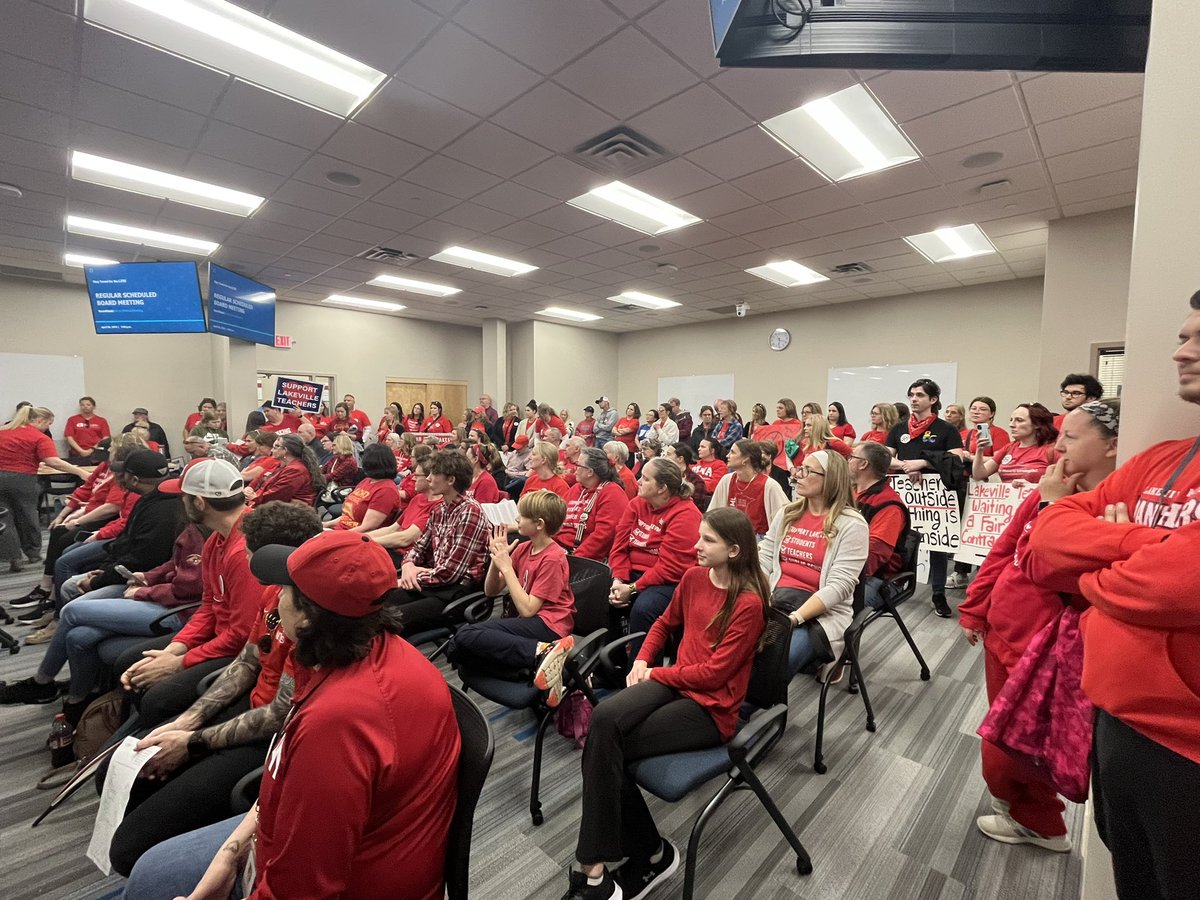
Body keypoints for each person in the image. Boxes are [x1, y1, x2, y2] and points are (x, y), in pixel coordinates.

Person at [122, 530, 461, 900]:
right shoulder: (353, 652)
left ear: (307, 618)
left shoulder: (337, 723)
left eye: (286, 592)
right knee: (150, 872)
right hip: (295, 831)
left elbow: (302, 890)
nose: (276, 598)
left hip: (355, 879)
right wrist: (231, 852)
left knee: (146, 885)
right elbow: (284, 780)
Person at [1023, 295, 1200, 897]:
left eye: (1199, 338)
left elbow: (1184, 582)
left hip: (1188, 748)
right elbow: (1047, 546)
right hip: (1115, 722)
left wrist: (1093, 572)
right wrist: (1153, 543)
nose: (1180, 351)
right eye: (1183, 335)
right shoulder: (1160, 459)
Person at [105, 501, 323, 877]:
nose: (246, 556)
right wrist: (188, 722)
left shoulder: (312, 616)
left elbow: (280, 715)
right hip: (249, 709)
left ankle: (179, 869)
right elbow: (247, 661)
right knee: (124, 772)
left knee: (129, 850)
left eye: (252, 550)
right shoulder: (275, 591)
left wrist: (191, 743)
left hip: (273, 740)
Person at [563, 506, 767, 900]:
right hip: (677, 683)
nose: (697, 545)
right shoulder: (693, 578)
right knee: (604, 720)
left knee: (608, 748)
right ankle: (621, 860)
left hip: (711, 709)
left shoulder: (748, 604)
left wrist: (655, 673)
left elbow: (713, 675)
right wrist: (642, 658)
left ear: (735, 550)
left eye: (708, 540)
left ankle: (610, 864)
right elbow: (663, 623)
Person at [959, 398, 1120, 855]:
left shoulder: (1104, 505)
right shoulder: (1050, 488)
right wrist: (975, 607)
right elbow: (1005, 549)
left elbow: (1053, 569)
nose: (1058, 446)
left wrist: (1053, 509)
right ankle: (1027, 813)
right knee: (1003, 734)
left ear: (1111, 446)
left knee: (1015, 745)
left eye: (1071, 436)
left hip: (1043, 644)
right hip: (1002, 629)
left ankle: (1042, 824)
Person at [115, 459, 261, 726]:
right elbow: (209, 606)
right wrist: (174, 650)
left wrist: (180, 662)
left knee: (155, 697)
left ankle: (149, 744)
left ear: (199, 503)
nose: (180, 503)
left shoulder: (244, 551)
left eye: (183, 497)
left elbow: (243, 634)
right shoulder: (216, 540)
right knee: (130, 662)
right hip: (222, 638)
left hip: (241, 653)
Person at [449, 490, 577, 704]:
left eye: (522, 516)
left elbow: (528, 609)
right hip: (528, 620)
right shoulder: (525, 548)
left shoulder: (553, 558)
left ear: (539, 524)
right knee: (460, 649)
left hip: (550, 625)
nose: (516, 519)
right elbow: (491, 591)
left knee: (464, 638)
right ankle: (533, 672)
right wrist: (496, 558)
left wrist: (507, 567)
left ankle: (543, 652)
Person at [760, 451, 868, 677]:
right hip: (775, 601)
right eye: (800, 469)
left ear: (830, 479)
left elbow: (840, 587)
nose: (798, 475)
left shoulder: (852, 525)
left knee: (774, 661)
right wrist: (759, 599)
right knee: (731, 646)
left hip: (820, 616)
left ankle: (746, 710)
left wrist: (795, 618)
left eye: (807, 471)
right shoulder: (788, 513)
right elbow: (764, 559)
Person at [885, 378, 963, 618]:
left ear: (933, 400)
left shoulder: (946, 429)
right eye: (912, 395)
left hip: (936, 495)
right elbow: (887, 458)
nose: (914, 399)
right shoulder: (899, 429)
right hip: (905, 491)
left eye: (919, 395)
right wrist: (907, 466)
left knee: (937, 545)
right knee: (902, 541)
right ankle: (898, 584)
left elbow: (956, 458)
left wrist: (924, 462)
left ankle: (938, 593)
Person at [608, 458, 703, 650]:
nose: (638, 482)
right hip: (633, 574)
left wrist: (632, 589)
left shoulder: (686, 514)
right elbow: (619, 547)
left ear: (662, 488)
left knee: (644, 609)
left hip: (669, 582)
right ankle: (609, 674)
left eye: (645, 478)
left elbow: (670, 568)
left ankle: (643, 672)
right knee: (603, 597)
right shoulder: (637, 503)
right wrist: (618, 580)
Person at [395, 450, 491, 630]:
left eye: (434, 473)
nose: (428, 478)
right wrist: (408, 564)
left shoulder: (470, 512)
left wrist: (412, 575)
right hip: (434, 583)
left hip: (456, 591)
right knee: (379, 601)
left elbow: (450, 573)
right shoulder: (439, 510)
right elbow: (419, 548)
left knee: (391, 618)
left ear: (451, 480)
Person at [0, 410, 95, 577]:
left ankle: (13, 558)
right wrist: (79, 472)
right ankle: (34, 554)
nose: (48, 428)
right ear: (41, 420)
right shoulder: (38, 437)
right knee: (27, 516)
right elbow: (52, 461)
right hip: (23, 480)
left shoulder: (3, 431)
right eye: (49, 424)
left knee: (4, 519)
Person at [849, 442, 912, 610]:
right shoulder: (852, 493)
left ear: (863, 464)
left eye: (852, 457)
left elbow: (874, 555)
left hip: (879, 579)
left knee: (833, 610)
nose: (847, 461)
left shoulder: (889, 505)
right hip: (852, 569)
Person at [556, 448, 630, 561]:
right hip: (560, 551)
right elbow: (555, 520)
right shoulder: (576, 488)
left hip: (585, 559)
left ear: (590, 472)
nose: (575, 468)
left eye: (578, 465)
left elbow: (604, 536)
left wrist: (574, 559)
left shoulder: (612, 492)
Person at [709, 439, 789, 538]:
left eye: (733, 452)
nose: (727, 455)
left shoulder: (769, 485)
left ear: (745, 460)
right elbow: (713, 513)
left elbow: (782, 521)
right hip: (730, 536)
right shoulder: (727, 480)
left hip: (759, 540)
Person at [370, 455, 441, 556]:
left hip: (407, 557)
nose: (413, 479)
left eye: (416, 475)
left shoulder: (437, 507)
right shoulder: (417, 499)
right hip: (393, 547)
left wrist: (368, 541)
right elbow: (393, 528)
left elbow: (406, 539)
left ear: (429, 478)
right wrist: (359, 537)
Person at [972, 403, 1058, 484]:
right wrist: (980, 450)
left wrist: (1033, 487)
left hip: (1035, 498)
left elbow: (1063, 483)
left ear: (1037, 424)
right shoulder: (1009, 448)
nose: (1011, 425)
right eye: (1011, 420)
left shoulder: (1051, 450)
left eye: (1019, 420)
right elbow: (979, 475)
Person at [327, 444, 400, 533]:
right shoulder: (366, 481)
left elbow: (367, 527)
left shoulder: (387, 490)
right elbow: (347, 517)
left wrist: (335, 535)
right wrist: (326, 524)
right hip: (342, 530)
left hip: (357, 538)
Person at [246, 434, 324, 507]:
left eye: (275, 447)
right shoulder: (282, 465)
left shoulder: (296, 470)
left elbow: (277, 495)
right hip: (277, 506)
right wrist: (249, 488)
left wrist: (254, 497)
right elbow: (261, 478)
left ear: (285, 450)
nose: (272, 450)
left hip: (291, 511)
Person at [64, 396, 112, 464]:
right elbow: (69, 437)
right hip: (77, 454)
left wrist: (92, 450)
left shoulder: (102, 421)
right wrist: (81, 451)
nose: (85, 406)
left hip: (97, 453)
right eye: (82, 405)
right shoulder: (72, 420)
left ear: (93, 407)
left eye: (88, 405)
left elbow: (105, 438)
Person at [666, 442, 707, 509]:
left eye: (668, 454)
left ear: (680, 459)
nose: (665, 458)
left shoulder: (696, 482)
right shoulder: (663, 476)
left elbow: (695, 508)